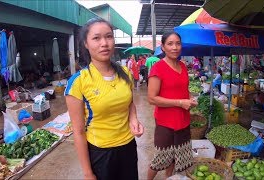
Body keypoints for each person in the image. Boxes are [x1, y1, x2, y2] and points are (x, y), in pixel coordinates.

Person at [64, 17, 144, 180]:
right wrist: (88, 173)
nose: (104, 43)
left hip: (128, 147)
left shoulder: (125, 73)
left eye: (108, 36)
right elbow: (78, 132)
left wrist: (134, 119)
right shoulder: (78, 82)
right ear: (86, 44)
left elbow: (130, 104)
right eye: (96, 38)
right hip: (100, 153)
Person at [147, 31, 197, 179]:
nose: (175, 47)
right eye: (170, 44)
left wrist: (190, 98)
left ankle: (169, 178)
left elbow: (183, 90)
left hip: (183, 121)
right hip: (165, 123)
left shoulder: (183, 66)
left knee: (175, 158)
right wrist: (180, 103)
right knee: (159, 159)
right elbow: (152, 98)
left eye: (178, 43)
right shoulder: (158, 68)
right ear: (162, 47)